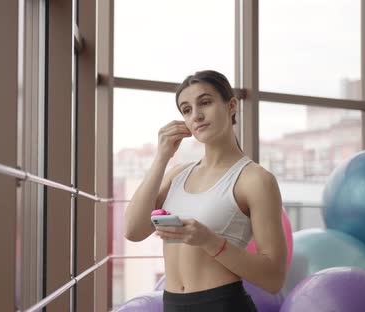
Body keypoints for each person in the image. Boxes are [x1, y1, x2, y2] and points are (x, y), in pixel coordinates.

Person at [123, 70, 287, 311]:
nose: (197, 115)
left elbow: (273, 278)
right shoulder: (177, 173)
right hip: (173, 304)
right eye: (186, 110)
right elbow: (133, 230)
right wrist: (161, 157)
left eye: (205, 102)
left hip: (223, 305)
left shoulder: (256, 180)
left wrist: (209, 240)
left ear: (231, 105)